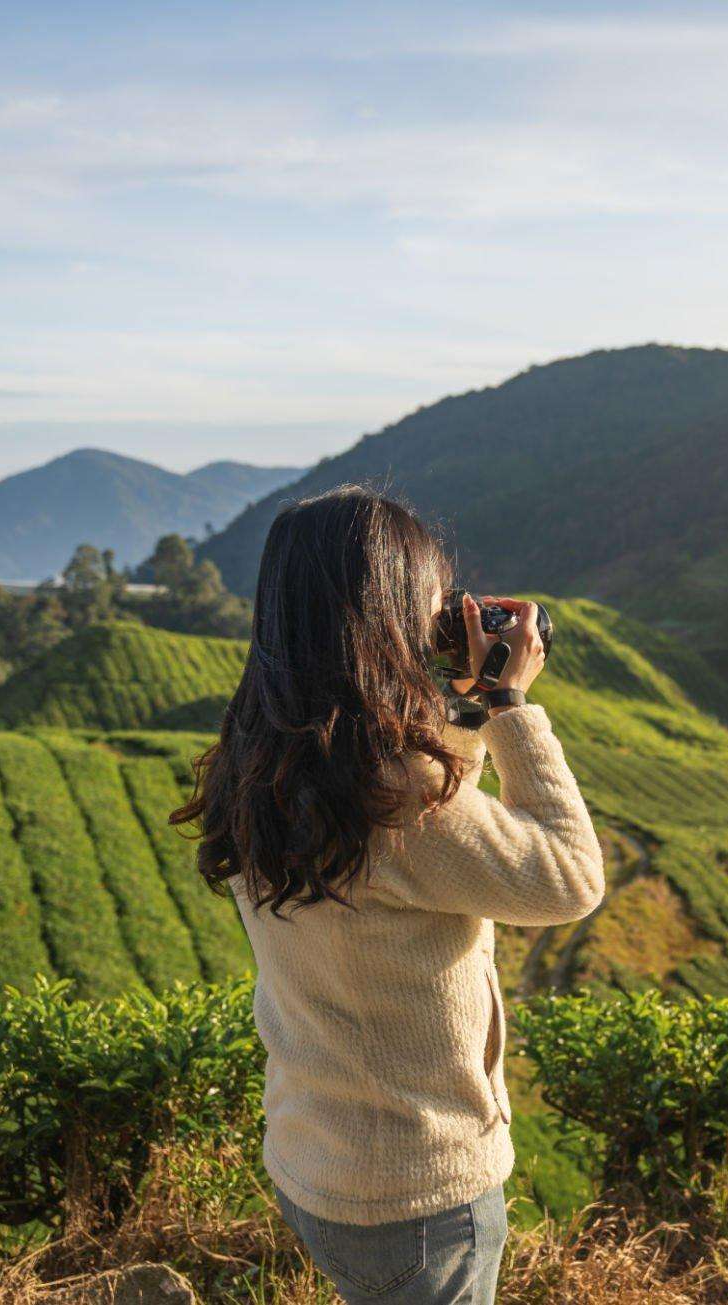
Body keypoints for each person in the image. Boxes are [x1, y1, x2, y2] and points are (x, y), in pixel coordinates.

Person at [175, 484, 604, 1304]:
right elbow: (570, 877)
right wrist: (512, 707)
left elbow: (433, 827)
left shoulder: (266, 760)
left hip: (321, 1165)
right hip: (420, 1189)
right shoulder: (391, 791)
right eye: (431, 600)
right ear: (389, 611)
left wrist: (464, 712)